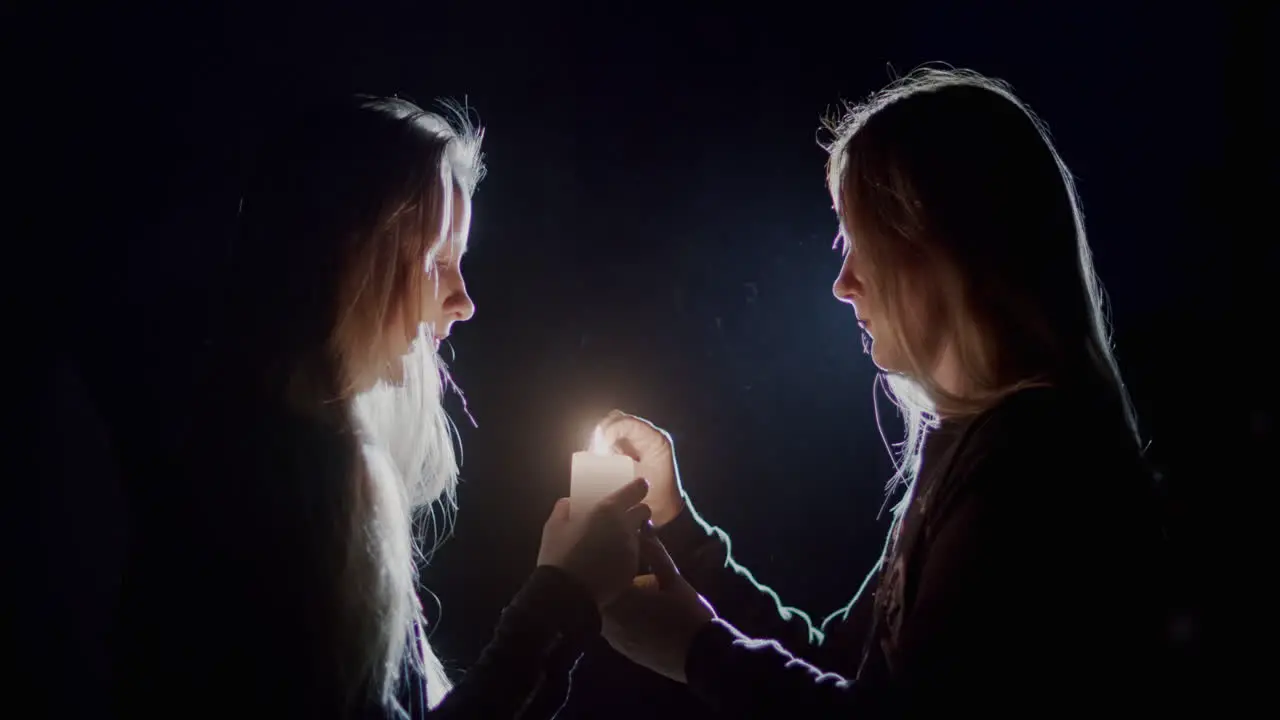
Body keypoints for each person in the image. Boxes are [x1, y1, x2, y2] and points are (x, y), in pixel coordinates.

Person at [596, 68, 1168, 715]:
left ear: (945, 245)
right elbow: (841, 665)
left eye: (861, 242)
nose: (843, 283)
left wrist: (696, 651)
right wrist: (679, 526)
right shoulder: (971, 442)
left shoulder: (1036, 465)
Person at [113, 95, 651, 719]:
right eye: (437, 262)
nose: (463, 301)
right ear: (349, 260)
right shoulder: (290, 493)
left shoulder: (273, 453)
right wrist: (561, 598)